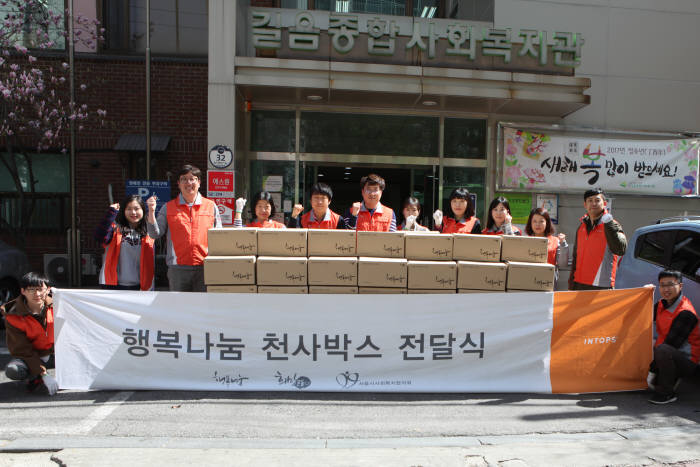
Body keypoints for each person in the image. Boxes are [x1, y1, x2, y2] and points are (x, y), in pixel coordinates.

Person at [147, 164, 222, 292]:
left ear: (199, 182)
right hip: (178, 269)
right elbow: (155, 234)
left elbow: (219, 237)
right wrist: (151, 212)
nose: (189, 182)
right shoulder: (168, 207)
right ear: (178, 183)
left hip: (204, 267)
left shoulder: (211, 206)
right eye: (184, 179)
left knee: (203, 308)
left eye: (192, 179)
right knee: (178, 309)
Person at [1, 272, 59, 396]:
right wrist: (44, 373)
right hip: (30, 355)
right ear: (23, 291)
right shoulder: (13, 315)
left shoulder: (59, 305)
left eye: (40, 289)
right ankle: (35, 377)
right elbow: (23, 350)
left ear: (48, 289)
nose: (36, 294)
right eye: (31, 290)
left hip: (57, 354)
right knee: (13, 370)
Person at [647, 270, 699, 404]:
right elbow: (641, 317)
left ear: (680, 286)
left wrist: (651, 371)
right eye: (662, 285)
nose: (666, 289)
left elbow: (671, 344)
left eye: (670, 284)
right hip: (667, 350)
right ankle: (662, 378)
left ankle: (666, 393)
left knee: (663, 350)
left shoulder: (686, 313)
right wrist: (644, 296)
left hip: (687, 361)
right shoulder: (661, 304)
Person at [569, 188, 627, 290]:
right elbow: (575, 256)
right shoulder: (581, 226)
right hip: (579, 283)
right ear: (585, 205)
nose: (593, 204)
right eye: (590, 201)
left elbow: (621, 250)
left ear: (604, 203)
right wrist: (571, 281)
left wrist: (609, 226)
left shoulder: (612, 224)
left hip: (601, 285)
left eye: (597, 200)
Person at [95, 195, 155, 291]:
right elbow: (100, 236)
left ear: (143, 210)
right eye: (129, 209)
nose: (133, 212)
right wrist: (111, 213)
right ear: (123, 211)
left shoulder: (149, 230)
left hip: (141, 286)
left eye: (137, 209)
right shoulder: (115, 228)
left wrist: (152, 210)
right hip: (114, 285)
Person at [525, 207, 569, 284]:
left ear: (547, 223)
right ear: (530, 223)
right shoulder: (526, 241)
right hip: (529, 280)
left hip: (548, 282)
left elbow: (563, 264)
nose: (537, 224)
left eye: (541, 221)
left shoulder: (555, 241)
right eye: (534, 221)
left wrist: (563, 244)